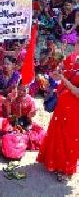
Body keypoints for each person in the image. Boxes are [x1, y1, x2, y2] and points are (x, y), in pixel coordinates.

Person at [37, 39, 79, 182]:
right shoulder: (73, 60)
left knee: (69, 138)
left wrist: (64, 80)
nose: (76, 47)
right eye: (77, 44)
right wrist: (55, 75)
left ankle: (66, 170)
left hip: (74, 109)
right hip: (63, 104)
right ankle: (54, 163)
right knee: (57, 133)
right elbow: (61, 77)